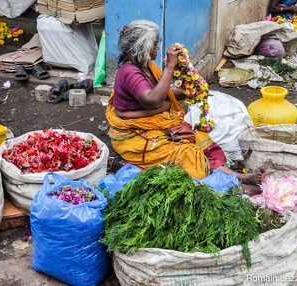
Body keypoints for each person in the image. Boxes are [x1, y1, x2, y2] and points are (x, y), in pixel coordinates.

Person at [105, 20, 265, 193]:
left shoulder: (147, 66)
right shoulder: (129, 72)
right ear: (142, 47)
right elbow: (154, 101)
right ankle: (232, 185)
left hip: (151, 123)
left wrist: (192, 91)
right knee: (185, 153)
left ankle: (238, 176)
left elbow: (164, 93)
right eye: (155, 44)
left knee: (199, 139)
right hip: (134, 136)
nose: (158, 48)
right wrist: (171, 65)